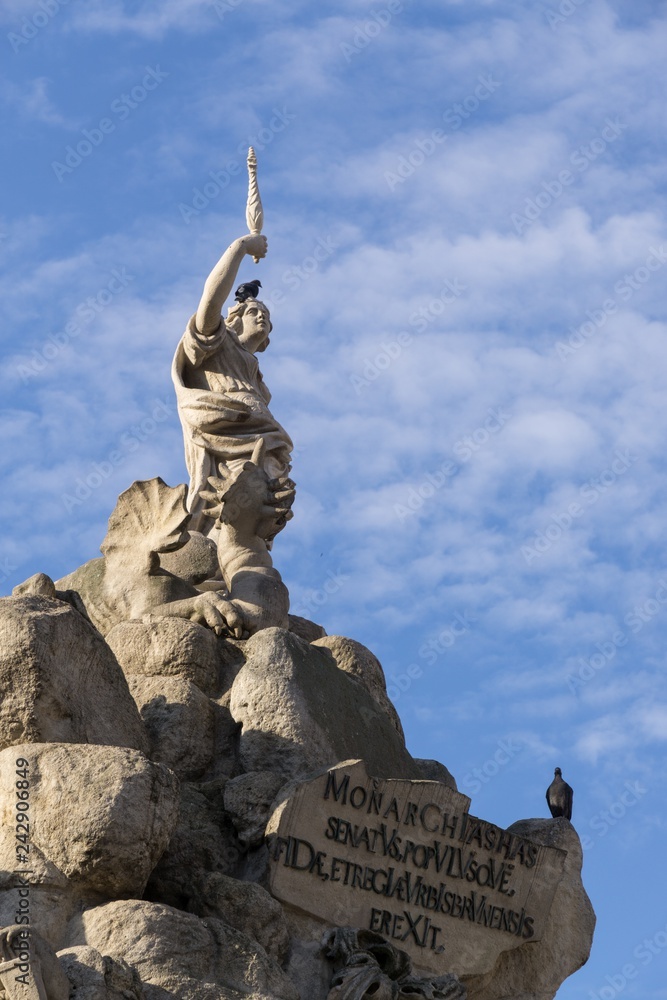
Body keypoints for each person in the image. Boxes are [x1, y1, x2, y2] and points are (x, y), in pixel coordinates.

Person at [172, 234, 293, 533]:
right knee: (230, 509)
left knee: (261, 518)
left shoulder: (258, 382)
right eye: (254, 312)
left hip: (267, 441)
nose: (261, 317)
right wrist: (240, 248)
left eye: (265, 315)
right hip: (228, 438)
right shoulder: (215, 342)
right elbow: (211, 300)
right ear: (236, 319)